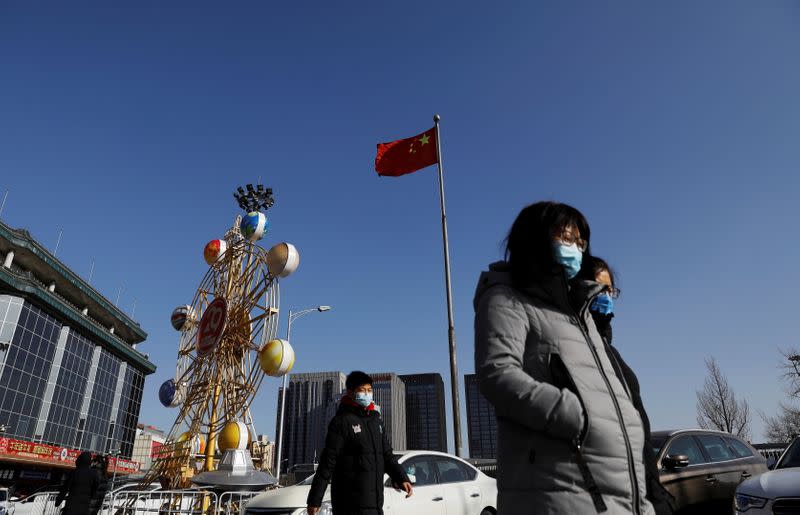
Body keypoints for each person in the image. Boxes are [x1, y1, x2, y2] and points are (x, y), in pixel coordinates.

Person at [474, 201, 654, 514]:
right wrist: (579, 416)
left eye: (580, 242)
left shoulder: (580, 312)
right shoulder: (506, 298)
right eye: (565, 239)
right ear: (535, 240)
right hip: (560, 493)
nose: (575, 249)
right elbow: (497, 374)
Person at [576, 256, 676, 515]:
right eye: (601, 289)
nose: (607, 297)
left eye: (611, 291)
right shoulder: (575, 352)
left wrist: (654, 491)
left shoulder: (611, 354)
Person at [307, 371, 413, 515]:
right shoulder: (342, 422)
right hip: (349, 504)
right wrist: (315, 499)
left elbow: (387, 455)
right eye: (362, 390)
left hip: (375, 504)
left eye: (369, 390)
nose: (367, 394)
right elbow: (328, 462)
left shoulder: (376, 421)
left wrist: (401, 478)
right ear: (350, 392)